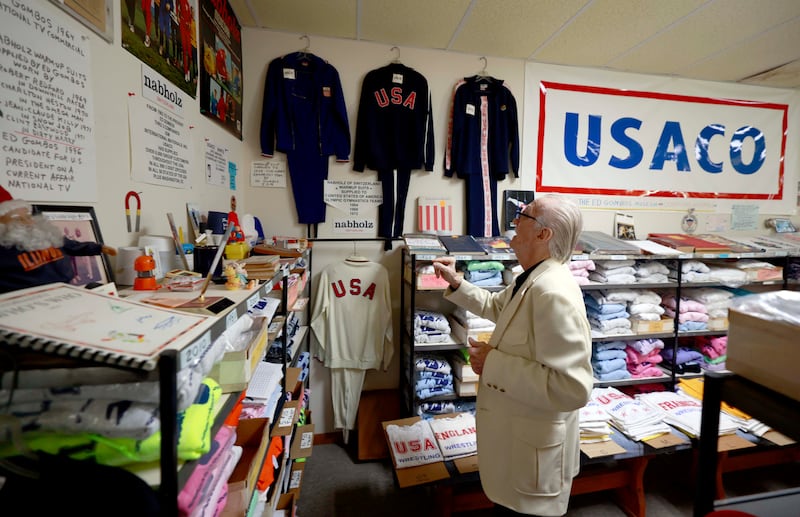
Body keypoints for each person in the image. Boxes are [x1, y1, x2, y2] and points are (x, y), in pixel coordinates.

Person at [432, 194, 592, 516]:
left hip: (533, 456)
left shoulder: (552, 292)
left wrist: (493, 363)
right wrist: (456, 283)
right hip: (520, 445)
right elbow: (496, 307)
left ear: (544, 234)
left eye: (525, 216)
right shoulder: (534, 277)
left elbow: (572, 388)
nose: (515, 221)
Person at [0, 186, 117, 294]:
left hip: (64, 291)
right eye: (17, 219)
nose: (28, 222)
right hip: (28, 301)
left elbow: (72, 245)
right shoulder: (5, 253)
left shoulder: (43, 235)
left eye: (28, 216)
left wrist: (98, 247)